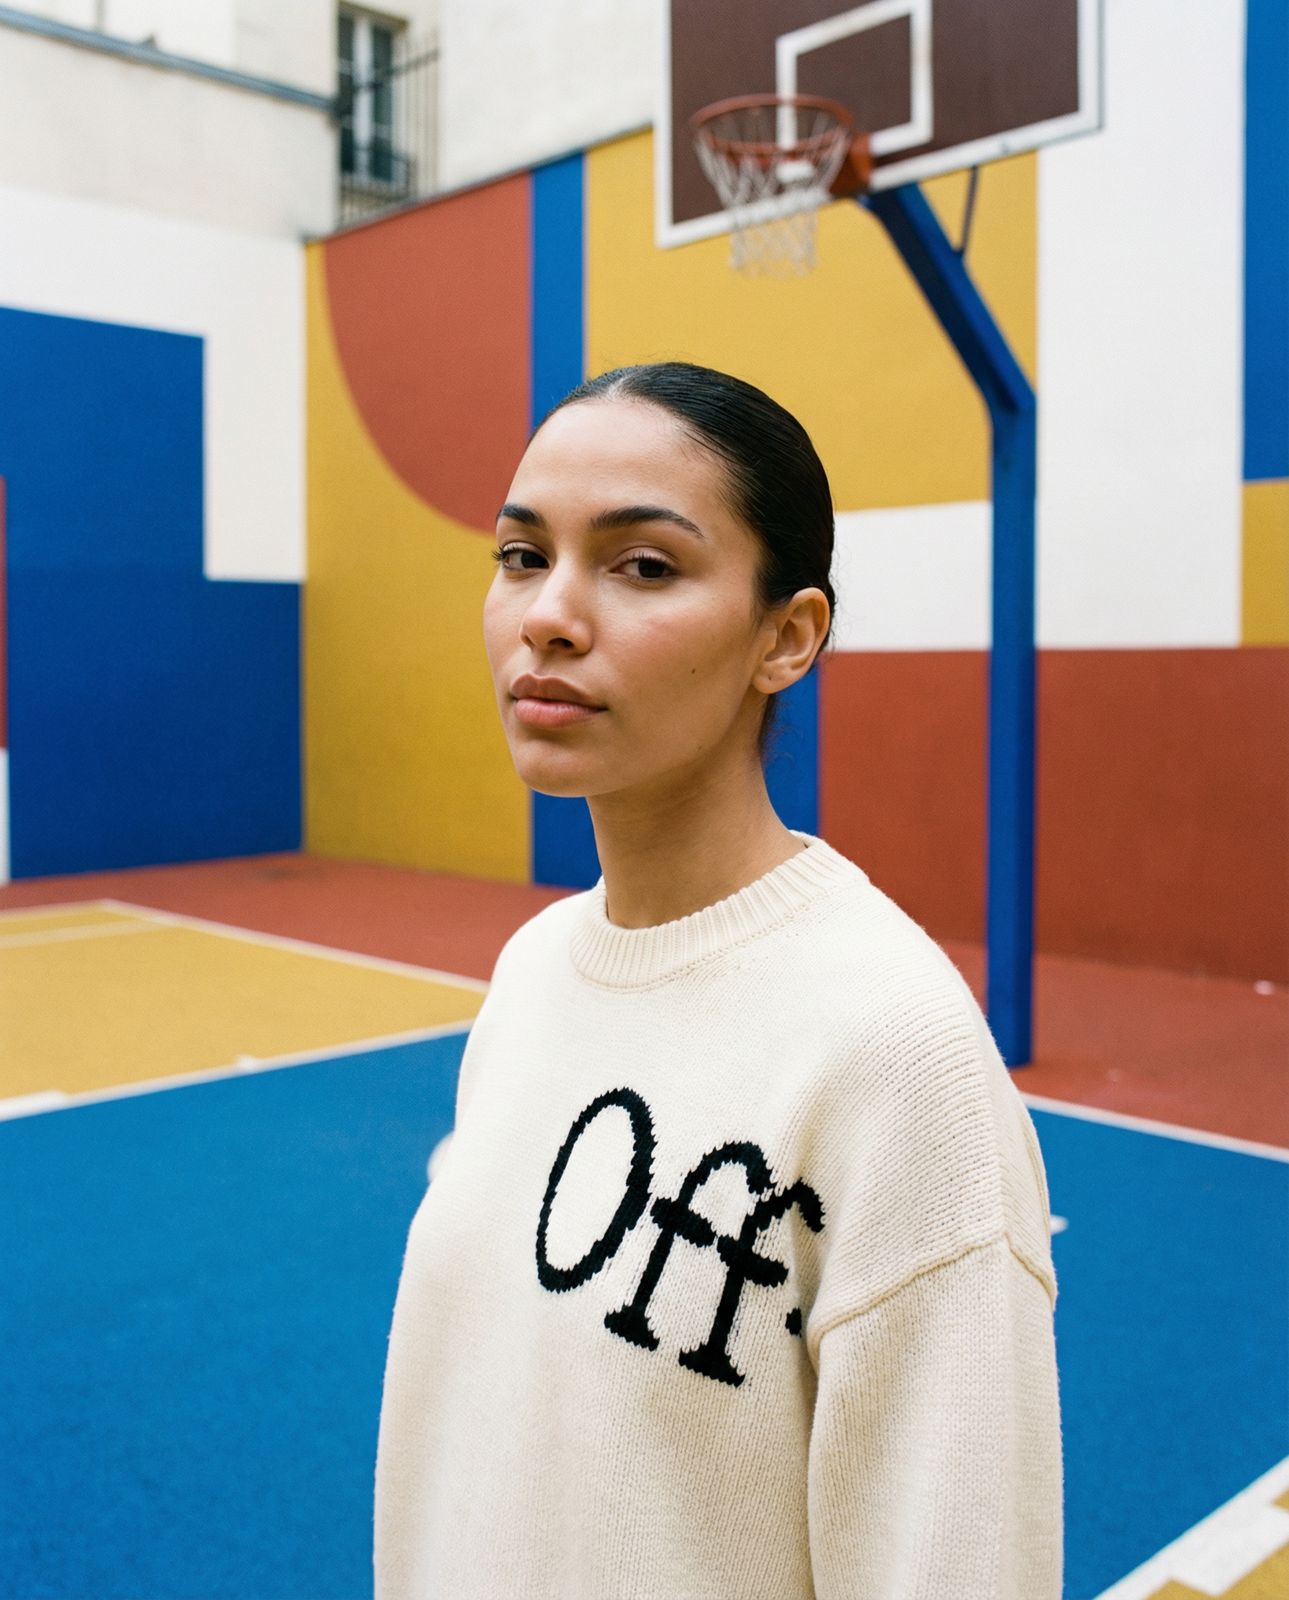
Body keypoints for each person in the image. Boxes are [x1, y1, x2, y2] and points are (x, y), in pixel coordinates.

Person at [373, 362, 1063, 1599]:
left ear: (786, 638)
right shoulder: (533, 973)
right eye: (522, 555)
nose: (548, 614)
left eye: (642, 565)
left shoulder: (891, 1048)